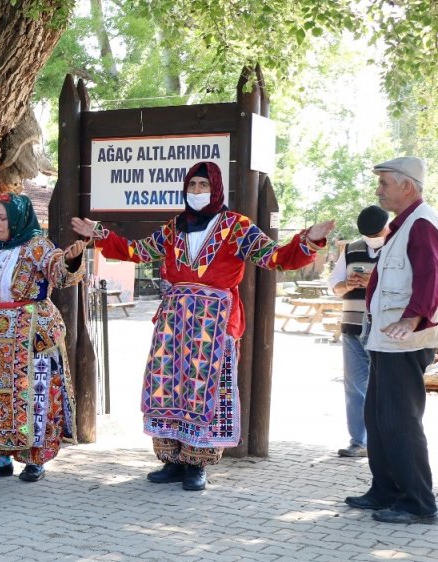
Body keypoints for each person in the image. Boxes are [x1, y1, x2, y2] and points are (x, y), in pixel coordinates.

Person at [71, 161, 333, 491]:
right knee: (168, 384)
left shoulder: (237, 227)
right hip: (174, 323)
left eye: (203, 186)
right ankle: (171, 460)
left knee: (206, 388)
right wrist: (100, 234)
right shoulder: (173, 229)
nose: (196, 191)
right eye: (192, 185)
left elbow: (275, 258)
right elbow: (136, 251)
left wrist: (309, 241)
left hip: (215, 322)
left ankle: (197, 464)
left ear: (216, 189)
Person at [0, 194, 87, 482]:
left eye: (3, 218)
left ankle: (35, 459)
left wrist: (71, 260)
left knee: (33, 394)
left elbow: (59, 272)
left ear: (18, 218)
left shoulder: (37, 246)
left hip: (30, 334)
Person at [347, 156, 438, 525]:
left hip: (406, 339)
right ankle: (385, 489)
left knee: (400, 419)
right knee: (378, 414)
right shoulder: (402, 226)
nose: (378, 190)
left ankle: (419, 502)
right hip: (386, 337)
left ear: (408, 186)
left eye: (385, 183)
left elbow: (433, 276)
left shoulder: (422, 223)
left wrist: (413, 318)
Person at [327, 206, 389, 458]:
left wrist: (372, 282)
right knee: (354, 386)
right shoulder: (352, 249)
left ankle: (383, 441)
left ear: (387, 227)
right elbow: (334, 285)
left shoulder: (397, 246)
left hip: (383, 328)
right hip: (352, 325)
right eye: (367, 234)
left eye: (376, 233)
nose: (371, 237)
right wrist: (347, 284)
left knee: (384, 385)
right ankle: (358, 441)